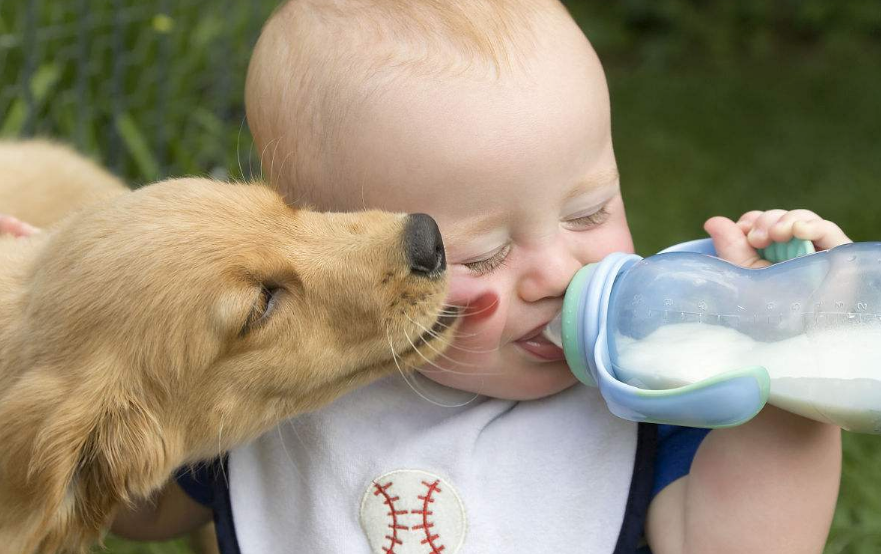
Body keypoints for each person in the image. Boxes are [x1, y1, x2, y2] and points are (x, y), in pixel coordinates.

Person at [103, 0, 845, 551]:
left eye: (589, 212)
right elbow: (138, 509)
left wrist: (779, 353)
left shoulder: (651, 389)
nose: (558, 270)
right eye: (482, 255)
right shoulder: (283, 391)